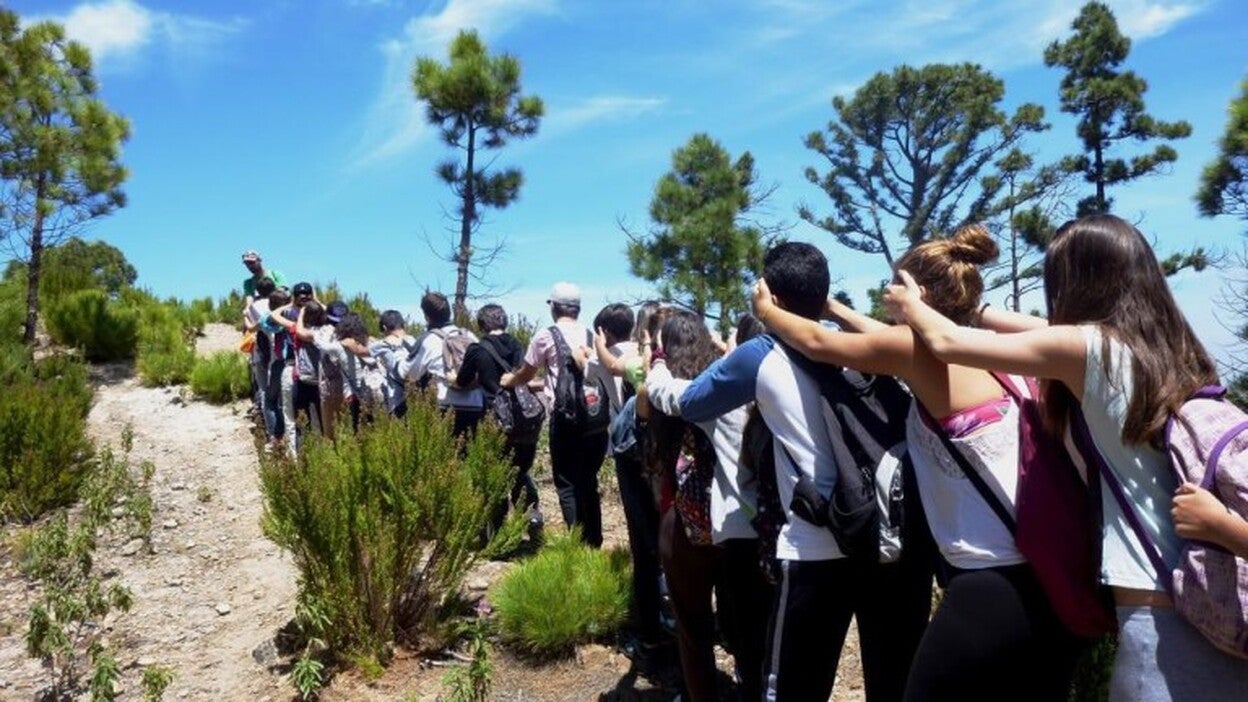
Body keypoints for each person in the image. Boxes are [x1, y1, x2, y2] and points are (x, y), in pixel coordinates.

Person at [884, 214, 1248, 702]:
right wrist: (971, 305)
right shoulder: (1163, 349)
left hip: (1161, 611)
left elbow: (949, 343)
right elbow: (1022, 328)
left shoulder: (1089, 348)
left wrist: (911, 302)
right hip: (1214, 599)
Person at [753, 224, 1080, 701]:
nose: (886, 294)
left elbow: (820, 345)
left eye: (894, 284)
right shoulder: (1000, 354)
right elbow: (893, 340)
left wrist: (767, 310)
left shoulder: (918, 353)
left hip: (988, 583)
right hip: (1046, 577)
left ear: (914, 293)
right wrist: (835, 308)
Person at [675, 242, 931, 702]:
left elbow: (694, 402)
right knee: (894, 685)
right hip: (887, 538)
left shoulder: (760, 353)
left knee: (793, 689)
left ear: (769, 295)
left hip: (817, 544)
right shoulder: (865, 344)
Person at [646, 310, 771, 702]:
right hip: (743, 526)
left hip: (685, 522)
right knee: (750, 627)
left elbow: (651, 449)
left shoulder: (685, 391)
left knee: (692, 628)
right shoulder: (728, 379)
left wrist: (656, 364)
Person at [501, 282, 609, 548]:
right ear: (577, 309)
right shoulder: (590, 336)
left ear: (554, 307)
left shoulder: (545, 336)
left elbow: (526, 373)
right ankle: (594, 541)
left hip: (566, 419)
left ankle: (575, 543)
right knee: (588, 480)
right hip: (594, 417)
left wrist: (509, 381)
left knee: (566, 482)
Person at [456, 303, 542, 532]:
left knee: (493, 476)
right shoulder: (517, 344)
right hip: (522, 419)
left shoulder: (477, 349)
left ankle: (494, 532)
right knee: (520, 473)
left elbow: (462, 380)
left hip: (493, 419)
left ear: (482, 324)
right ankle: (532, 520)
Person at [400, 291, 484, 439]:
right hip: (475, 405)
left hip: (445, 406)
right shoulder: (469, 336)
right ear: (448, 312)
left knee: (443, 456)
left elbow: (409, 373)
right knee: (468, 457)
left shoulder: (428, 339)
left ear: (426, 316)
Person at [370, 310, 416, 418]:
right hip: (416, 400)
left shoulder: (382, 345)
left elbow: (363, 351)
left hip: (396, 402)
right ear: (403, 325)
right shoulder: (413, 341)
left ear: (385, 328)